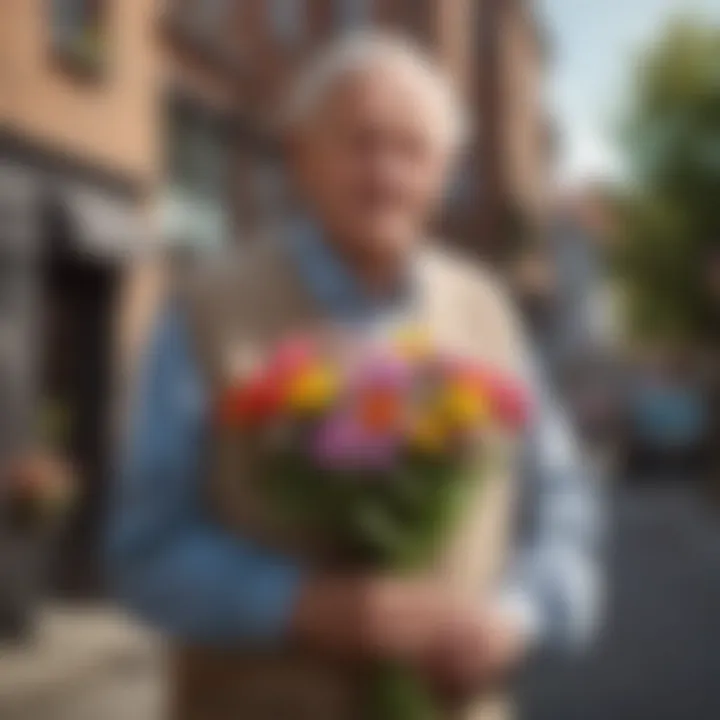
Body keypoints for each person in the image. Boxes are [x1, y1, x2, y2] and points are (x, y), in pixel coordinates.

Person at [109, 32, 602, 720]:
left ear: (444, 171)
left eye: (412, 150)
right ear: (300, 156)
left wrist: (515, 619)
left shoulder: (490, 313)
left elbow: (564, 513)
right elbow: (143, 552)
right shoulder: (207, 310)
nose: (386, 174)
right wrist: (296, 605)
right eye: (360, 142)